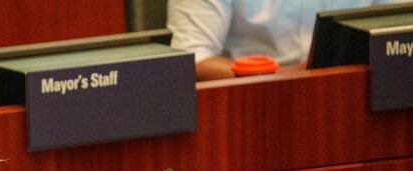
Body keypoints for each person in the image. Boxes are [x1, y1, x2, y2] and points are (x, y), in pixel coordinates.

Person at [167, 0, 403, 81]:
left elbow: (402, 28)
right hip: (251, 108)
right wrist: (288, 76)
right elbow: (191, 60)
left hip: (359, 99)